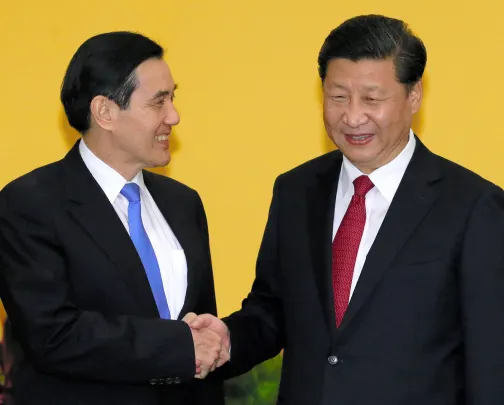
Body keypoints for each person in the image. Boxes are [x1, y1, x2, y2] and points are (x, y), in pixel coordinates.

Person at [186, 14, 504, 405]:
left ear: (414, 94)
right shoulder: (295, 191)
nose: (353, 117)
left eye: (372, 99)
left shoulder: (472, 206)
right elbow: (274, 310)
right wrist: (227, 339)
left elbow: (491, 360)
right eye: (338, 97)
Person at [0, 31, 227, 405]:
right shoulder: (30, 204)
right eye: (158, 102)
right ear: (105, 112)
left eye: (173, 97)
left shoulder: (182, 202)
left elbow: (201, 335)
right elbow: (53, 335)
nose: (174, 116)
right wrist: (180, 344)